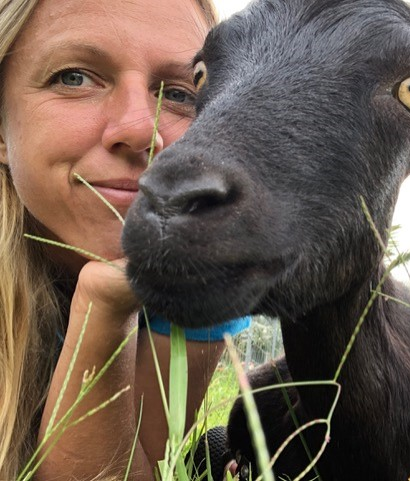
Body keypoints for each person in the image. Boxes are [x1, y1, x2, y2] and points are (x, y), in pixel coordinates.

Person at [0, 0, 249, 479]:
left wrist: (106, 306)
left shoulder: (201, 265)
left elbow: (136, 468)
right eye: (74, 77)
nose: (140, 128)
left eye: (179, 93)